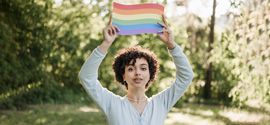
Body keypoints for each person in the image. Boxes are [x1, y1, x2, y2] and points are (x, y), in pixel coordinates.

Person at [78, 15, 194, 125]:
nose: (138, 72)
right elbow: (86, 77)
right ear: (123, 75)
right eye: (131, 69)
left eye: (143, 68)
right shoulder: (112, 103)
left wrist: (171, 45)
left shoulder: (161, 103)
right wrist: (106, 43)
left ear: (150, 73)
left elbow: (186, 76)